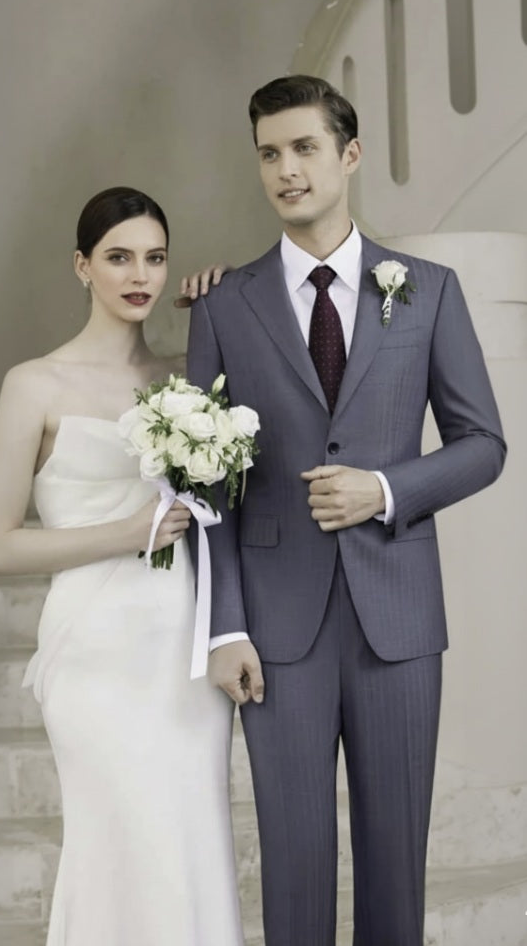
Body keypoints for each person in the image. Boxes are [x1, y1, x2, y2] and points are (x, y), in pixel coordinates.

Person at [184, 75, 506, 945]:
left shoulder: (428, 289)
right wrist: (224, 626)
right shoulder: (222, 304)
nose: (286, 169)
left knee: (396, 867)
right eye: (269, 154)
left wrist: (385, 488)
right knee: (292, 868)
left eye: (304, 147)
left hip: (398, 619)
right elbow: (206, 484)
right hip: (273, 630)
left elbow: (483, 442)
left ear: (349, 154)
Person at [0, 186, 245, 946]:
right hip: (94, 648)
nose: (140, 275)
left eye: (155, 258)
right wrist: (127, 532)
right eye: (118, 257)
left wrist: (234, 299)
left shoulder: (187, 378)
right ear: (81, 266)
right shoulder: (33, 384)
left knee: (188, 838)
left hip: (182, 644)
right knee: (117, 841)